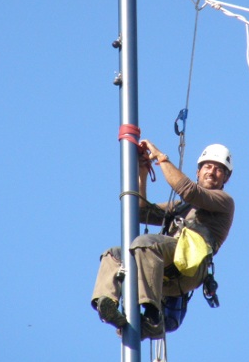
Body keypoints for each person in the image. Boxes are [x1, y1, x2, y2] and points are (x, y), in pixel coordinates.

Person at [91, 140, 235, 339]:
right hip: (164, 268)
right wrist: (142, 171)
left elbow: (189, 191)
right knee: (115, 254)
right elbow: (140, 213)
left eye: (219, 169)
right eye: (207, 166)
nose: (212, 172)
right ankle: (107, 304)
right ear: (198, 172)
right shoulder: (180, 207)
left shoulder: (224, 202)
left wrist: (160, 157)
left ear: (226, 178)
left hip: (190, 267)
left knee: (145, 243)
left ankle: (152, 316)